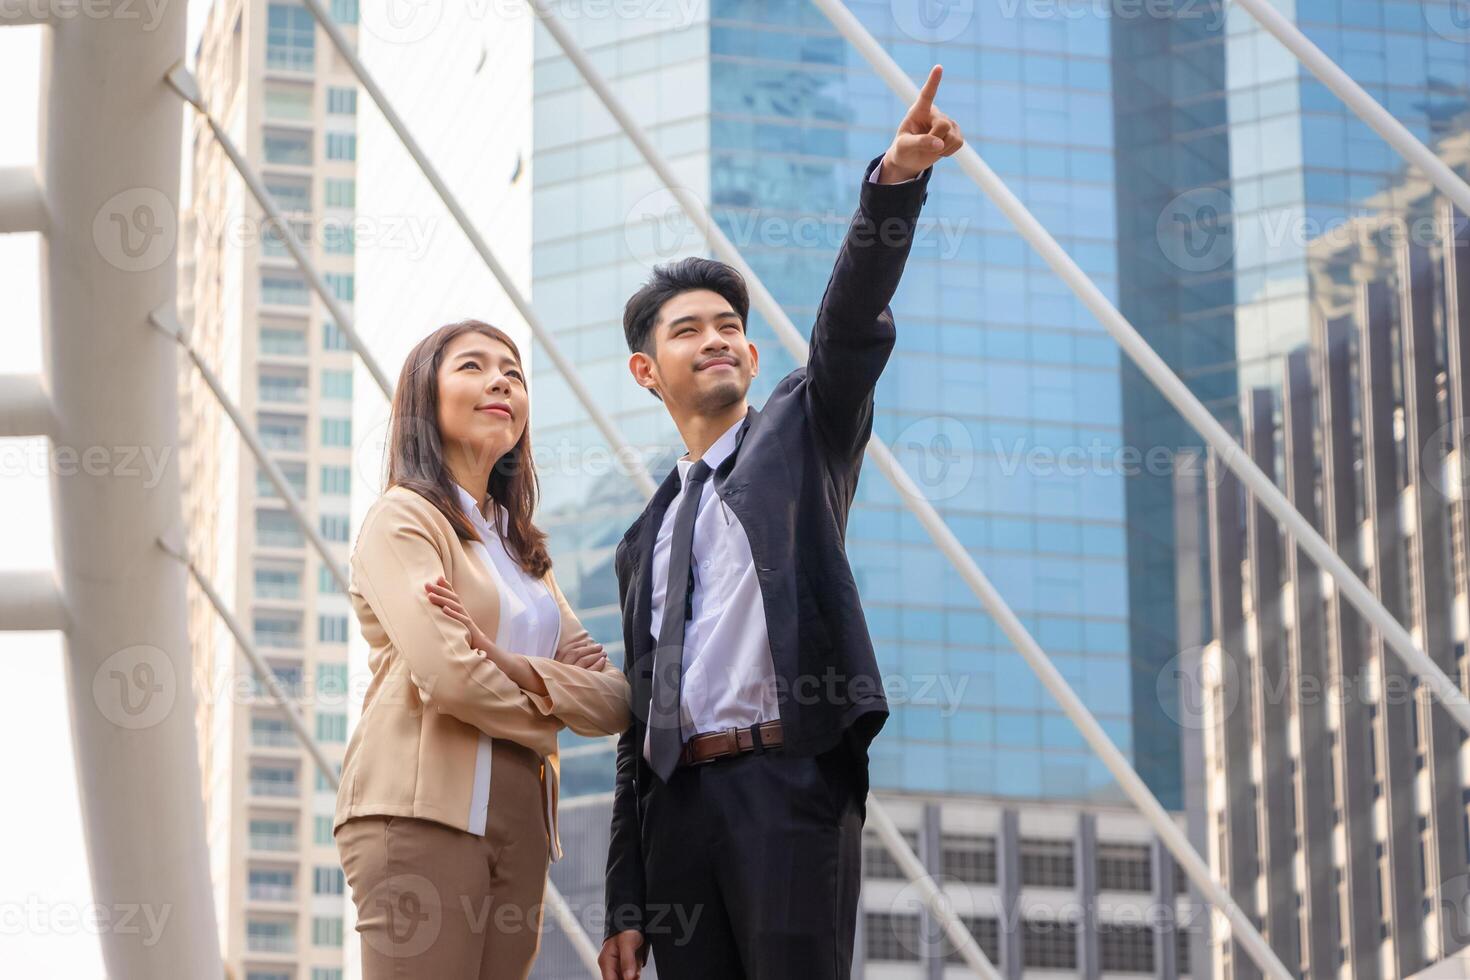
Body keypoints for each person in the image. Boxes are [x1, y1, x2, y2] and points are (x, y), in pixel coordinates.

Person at [598, 65, 964, 980]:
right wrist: (625, 901)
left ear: (754, 355)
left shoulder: (805, 430)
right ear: (648, 372)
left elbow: (846, 326)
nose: (715, 338)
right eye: (687, 330)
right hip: (680, 817)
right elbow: (636, 732)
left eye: (729, 326)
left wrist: (896, 183)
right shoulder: (641, 540)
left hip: (786, 787)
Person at [335, 320, 631, 979]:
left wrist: (502, 659)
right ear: (424, 398)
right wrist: (552, 714)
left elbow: (614, 699)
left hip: (521, 832)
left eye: (515, 372)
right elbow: (450, 679)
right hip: (419, 814)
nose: (502, 379)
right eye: (473, 366)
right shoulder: (405, 519)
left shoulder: (524, 553)